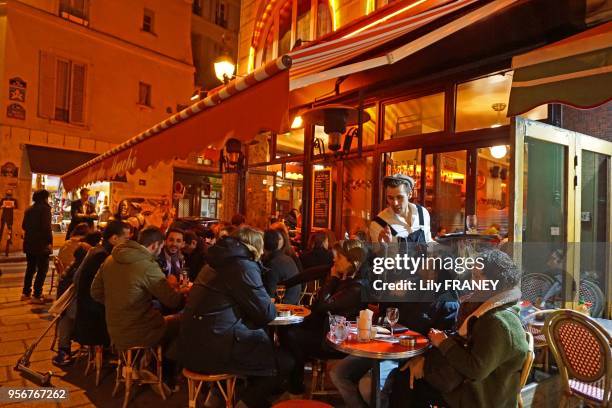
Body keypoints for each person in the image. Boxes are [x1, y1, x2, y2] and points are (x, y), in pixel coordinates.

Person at [388, 249, 528, 408]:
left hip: (480, 396)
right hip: (472, 383)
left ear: (496, 280)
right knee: (408, 374)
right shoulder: (494, 308)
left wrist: (443, 344)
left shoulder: (496, 321)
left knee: (406, 381)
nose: (472, 282)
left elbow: (475, 370)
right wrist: (427, 359)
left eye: (477, 276)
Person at [179, 227, 294, 408]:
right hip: (215, 346)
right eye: (262, 247)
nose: (263, 252)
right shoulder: (242, 266)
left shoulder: (216, 262)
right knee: (284, 363)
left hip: (193, 342)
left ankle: (218, 398)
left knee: (259, 358)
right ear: (255, 247)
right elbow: (266, 313)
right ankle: (242, 403)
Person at [330, 262, 459, 407]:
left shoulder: (448, 301)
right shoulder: (412, 284)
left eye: (424, 264)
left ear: (434, 273)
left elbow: (441, 339)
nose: (419, 267)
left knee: (367, 387)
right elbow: (387, 311)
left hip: (408, 356)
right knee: (338, 373)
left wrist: (422, 358)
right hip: (386, 344)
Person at [91, 226, 187, 388]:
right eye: (161, 246)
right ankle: (164, 376)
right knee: (181, 323)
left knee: (164, 318)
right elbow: (172, 301)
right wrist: (184, 293)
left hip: (114, 328)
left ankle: (143, 364)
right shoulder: (147, 265)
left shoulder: (110, 259)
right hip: (139, 330)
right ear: (155, 245)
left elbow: (95, 292)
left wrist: (118, 303)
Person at [282, 240, 369, 395]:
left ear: (352, 261)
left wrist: (333, 279)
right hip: (327, 331)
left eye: (339, 257)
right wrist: (284, 284)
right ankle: (291, 381)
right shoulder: (346, 278)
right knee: (288, 330)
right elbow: (311, 277)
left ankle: (295, 385)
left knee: (291, 336)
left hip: (337, 341)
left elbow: (323, 305)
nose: (334, 260)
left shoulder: (357, 287)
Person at [52, 231, 102, 367]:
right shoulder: (87, 264)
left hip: (72, 307)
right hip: (82, 312)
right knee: (68, 315)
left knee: (65, 317)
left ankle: (64, 350)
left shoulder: (74, 263)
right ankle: (66, 350)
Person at [369, 174, 433, 245]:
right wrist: (384, 248)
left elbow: (428, 243)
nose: (395, 203)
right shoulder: (378, 224)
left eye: (399, 197)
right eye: (390, 198)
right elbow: (378, 255)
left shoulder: (423, 213)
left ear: (410, 194)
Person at [21, 189, 52, 303]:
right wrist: (49, 242)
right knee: (42, 269)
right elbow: (46, 228)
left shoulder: (29, 209)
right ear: (44, 198)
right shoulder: (45, 209)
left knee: (30, 268)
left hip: (29, 243)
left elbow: (24, 226)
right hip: (41, 244)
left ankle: (25, 292)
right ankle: (37, 294)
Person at [263, 229, 301, 304]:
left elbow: (270, 296)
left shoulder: (272, 264)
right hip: (293, 303)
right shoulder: (288, 258)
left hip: (282, 307)